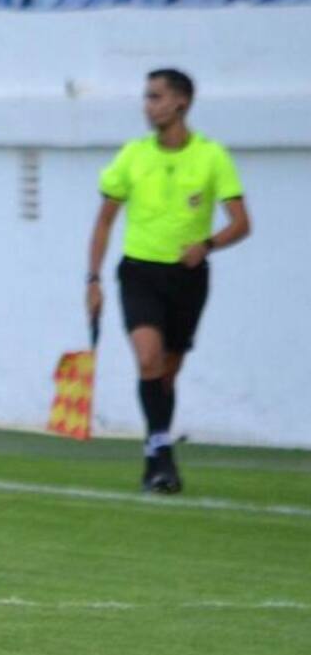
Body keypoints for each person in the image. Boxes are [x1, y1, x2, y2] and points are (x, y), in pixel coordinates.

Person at [86, 68, 251, 493]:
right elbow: (104, 221)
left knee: (166, 374)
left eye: (156, 97)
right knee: (147, 360)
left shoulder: (212, 156)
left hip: (188, 278)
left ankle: (154, 453)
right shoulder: (132, 155)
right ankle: (162, 456)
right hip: (139, 273)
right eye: (146, 97)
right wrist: (93, 278)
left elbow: (241, 223)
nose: (148, 105)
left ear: (181, 103)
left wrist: (208, 245)